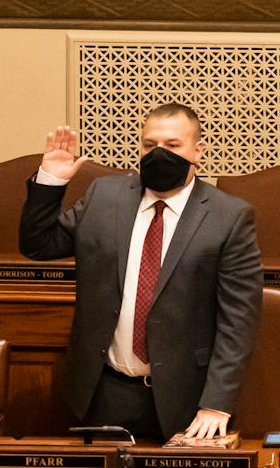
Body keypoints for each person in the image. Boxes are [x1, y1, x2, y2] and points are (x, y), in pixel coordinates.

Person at [19, 104, 263, 444]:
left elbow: (239, 321)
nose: (159, 154)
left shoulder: (229, 217)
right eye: (150, 145)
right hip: (103, 392)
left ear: (198, 151)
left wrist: (216, 404)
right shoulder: (104, 196)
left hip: (189, 402)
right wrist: (51, 181)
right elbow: (38, 245)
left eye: (173, 145)